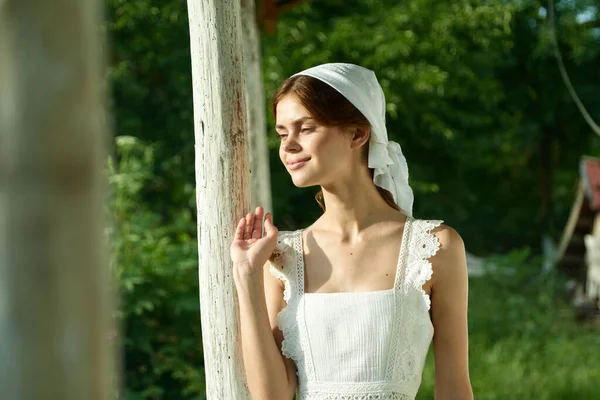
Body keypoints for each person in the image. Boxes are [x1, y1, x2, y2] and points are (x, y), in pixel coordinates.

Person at [230, 63, 473, 400]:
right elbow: (272, 396)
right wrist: (246, 274)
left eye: (307, 128)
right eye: (283, 133)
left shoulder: (435, 247)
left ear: (358, 134)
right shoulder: (282, 257)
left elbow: (454, 387)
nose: (288, 146)